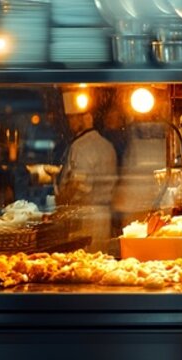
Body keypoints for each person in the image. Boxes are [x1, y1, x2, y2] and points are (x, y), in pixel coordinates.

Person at [56, 102, 118, 254]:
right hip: (104, 217)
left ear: (88, 117)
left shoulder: (80, 146)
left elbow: (80, 184)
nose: (71, 123)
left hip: (85, 218)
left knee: (83, 264)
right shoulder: (108, 145)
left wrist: (62, 200)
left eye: (74, 118)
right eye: (70, 118)